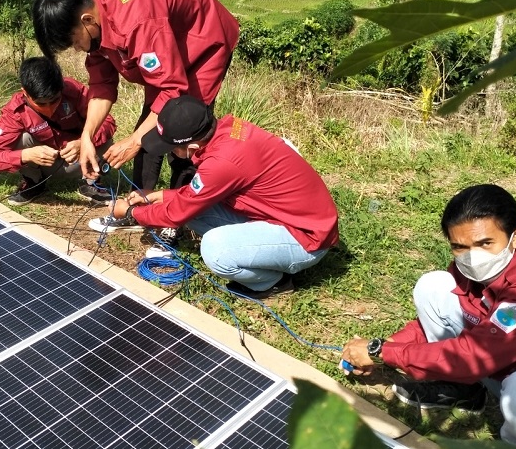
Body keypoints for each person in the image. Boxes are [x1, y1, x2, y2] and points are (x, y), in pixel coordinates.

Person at [340, 184, 516, 449]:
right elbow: (450, 320)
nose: (473, 257)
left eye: (485, 243)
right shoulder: (475, 270)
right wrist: (385, 344)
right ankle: (463, 389)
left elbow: (474, 355)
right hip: (494, 360)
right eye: (460, 246)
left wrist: (382, 353)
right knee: (434, 285)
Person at [32, 0, 239, 249]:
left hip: (203, 41)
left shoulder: (139, 23)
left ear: (86, 20)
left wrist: (134, 140)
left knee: (183, 132)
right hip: (167, 45)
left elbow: (172, 90)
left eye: (74, 41)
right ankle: (137, 208)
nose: (78, 48)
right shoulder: (98, 21)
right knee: (149, 128)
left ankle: (173, 220)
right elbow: (102, 85)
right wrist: (87, 136)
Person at [101, 95, 339, 299]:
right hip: (286, 217)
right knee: (194, 212)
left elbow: (175, 215)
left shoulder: (223, 162)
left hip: (306, 238)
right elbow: (196, 196)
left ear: (192, 148)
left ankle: (272, 282)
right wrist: (160, 195)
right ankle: (262, 255)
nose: (170, 153)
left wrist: (131, 212)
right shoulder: (228, 131)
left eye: (171, 148)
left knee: (216, 250)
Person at [0, 56, 116, 206]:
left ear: (61, 88)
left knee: (105, 138)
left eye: (54, 100)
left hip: (79, 160)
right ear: (25, 93)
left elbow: (108, 122)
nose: (49, 108)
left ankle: (91, 183)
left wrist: (83, 142)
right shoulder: (15, 111)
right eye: (40, 103)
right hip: (45, 165)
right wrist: (26, 155)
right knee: (22, 140)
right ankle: (34, 183)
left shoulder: (73, 90)